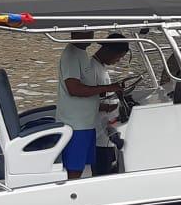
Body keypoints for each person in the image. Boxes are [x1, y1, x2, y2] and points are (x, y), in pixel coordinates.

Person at [56, 31, 125, 179]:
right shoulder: (72, 54)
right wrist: (108, 88)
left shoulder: (82, 54)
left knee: (84, 170)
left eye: (91, 31)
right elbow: (74, 89)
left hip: (86, 124)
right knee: (74, 171)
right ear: (75, 32)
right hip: (76, 125)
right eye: (87, 30)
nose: (91, 34)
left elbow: (87, 88)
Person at [91, 33, 131, 176]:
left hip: (106, 129)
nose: (118, 61)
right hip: (99, 135)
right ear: (110, 50)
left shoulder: (100, 67)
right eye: (118, 57)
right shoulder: (92, 69)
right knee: (103, 172)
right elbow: (86, 100)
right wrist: (110, 106)